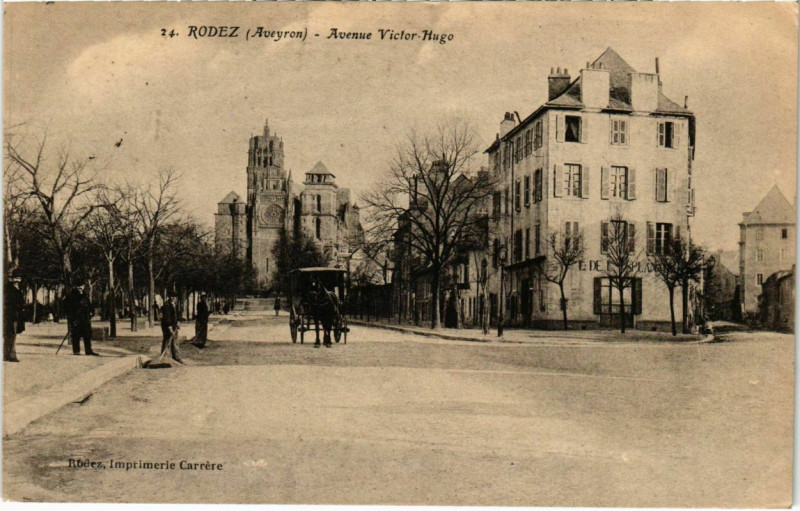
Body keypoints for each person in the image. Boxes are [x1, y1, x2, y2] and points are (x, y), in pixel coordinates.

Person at [66, 282, 99, 356]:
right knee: (76, 335)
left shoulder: (85, 294)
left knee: (87, 335)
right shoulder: (72, 295)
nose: (80, 287)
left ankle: (88, 350)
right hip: (77, 319)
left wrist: (91, 312)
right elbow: (69, 309)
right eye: (78, 285)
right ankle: (76, 351)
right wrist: (72, 319)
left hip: (85, 319)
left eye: (81, 285)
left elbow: (89, 305)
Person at [4, 272, 25, 362]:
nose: (17, 282)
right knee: (11, 335)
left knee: (10, 335)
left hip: (12, 316)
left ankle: (7, 354)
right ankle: (11, 355)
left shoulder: (10, 289)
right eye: (16, 280)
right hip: (12, 316)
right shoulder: (12, 291)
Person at [160, 294, 183, 363]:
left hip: (174, 326)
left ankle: (177, 357)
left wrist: (178, 321)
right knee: (167, 341)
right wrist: (170, 328)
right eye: (176, 298)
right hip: (167, 326)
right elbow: (167, 318)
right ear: (172, 297)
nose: (176, 299)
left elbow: (177, 314)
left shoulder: (175, 305)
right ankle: (164, 358)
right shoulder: (167, 306)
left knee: (175, 341)